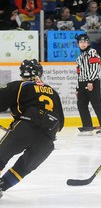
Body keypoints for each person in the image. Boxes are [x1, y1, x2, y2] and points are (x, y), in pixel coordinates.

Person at [0, 59, 64, 198]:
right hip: (47, 140)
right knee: (23, 168)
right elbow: (61, 123)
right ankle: (2, 185)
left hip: (24, 129)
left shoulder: (20, 86)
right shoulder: (53, 92)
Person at [75, 33, 101, 136]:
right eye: (81, 42)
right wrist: (78, 87)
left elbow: (95, 68)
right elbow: (79, 73)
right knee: (81, 104)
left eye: (85, 41)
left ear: (88, 42)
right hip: (82, 83)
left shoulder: (92, 52)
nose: (83, 44)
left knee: (97, 104)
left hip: (92, 82)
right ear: (78, 44)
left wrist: (90, 81)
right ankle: (87, 127)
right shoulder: (80, 57)